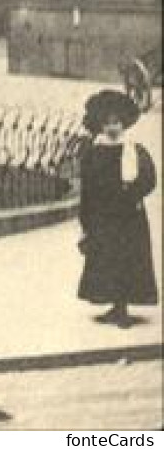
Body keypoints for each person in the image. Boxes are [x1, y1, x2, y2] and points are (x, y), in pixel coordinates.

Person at [77, 88, 158, 328]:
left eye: (118, 122)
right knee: (106, 260)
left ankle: (123, 309)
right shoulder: (94, 152)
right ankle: (115, 305)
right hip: (104, 218)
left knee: (127, 259)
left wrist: (132, 193)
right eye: (108, 122)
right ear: (101, 125)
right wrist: (86, 221)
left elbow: (149, 179)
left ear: (125, 124)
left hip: (128, 217)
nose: (113, 127)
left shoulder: (134, 150)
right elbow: (88, 188)